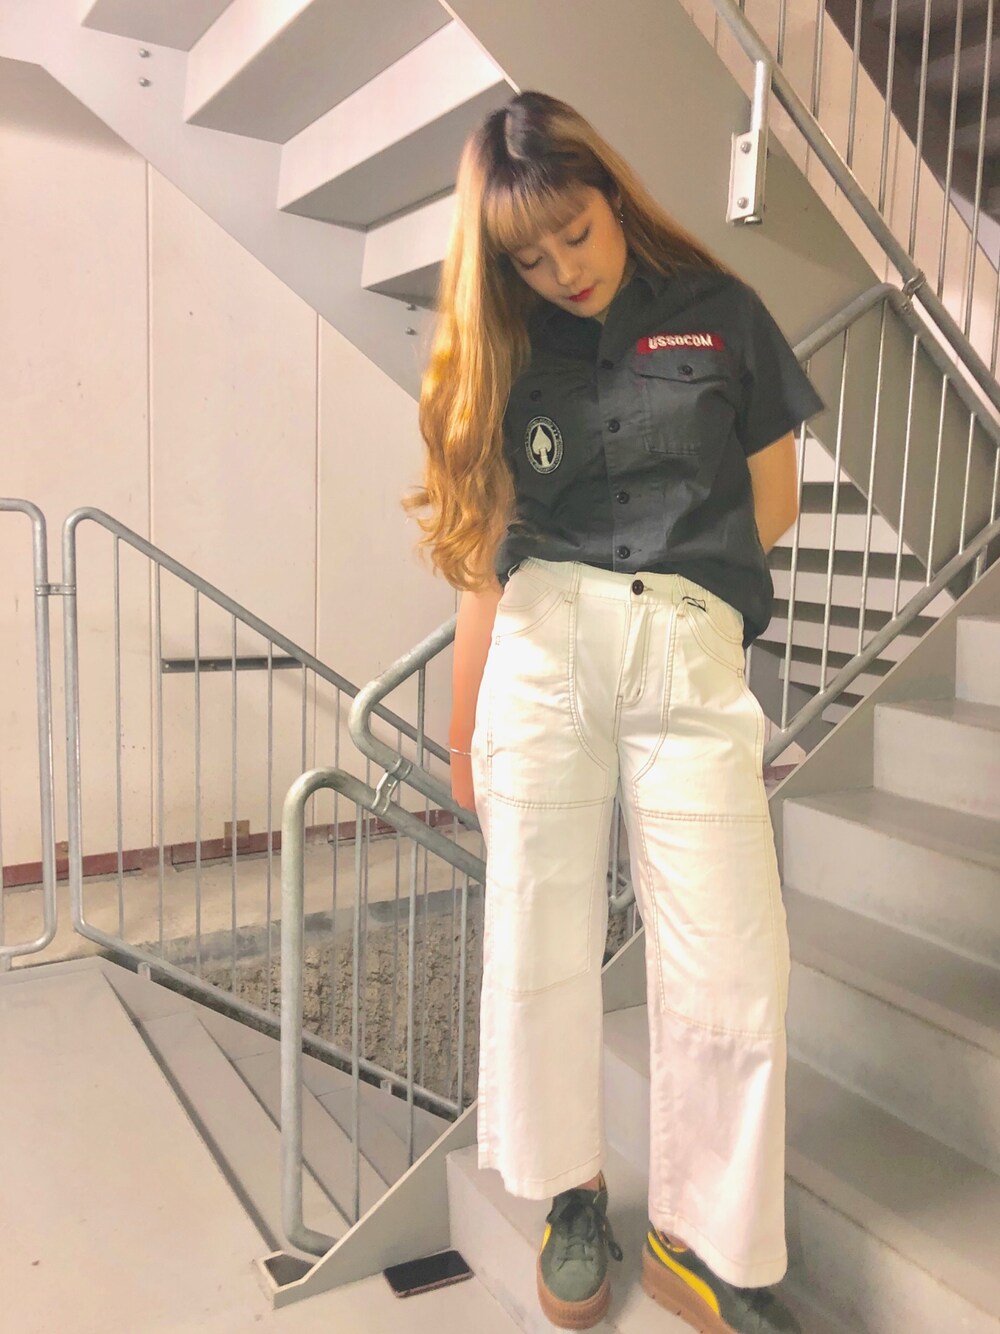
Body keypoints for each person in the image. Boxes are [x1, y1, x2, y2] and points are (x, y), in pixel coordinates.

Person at [403, 89, 824, 1334]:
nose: (561, 269)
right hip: (543, 651)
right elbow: (485, 561)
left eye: (573, 233)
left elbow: (773, 503)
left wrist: (675, 591)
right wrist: (461, 731)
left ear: (610, 193)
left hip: (686, 651)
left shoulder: (721, 312)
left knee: (734, 958)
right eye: (529, 258)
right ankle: (570, 1192)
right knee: (537, 934)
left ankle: (704, 1239)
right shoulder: (505, 350)